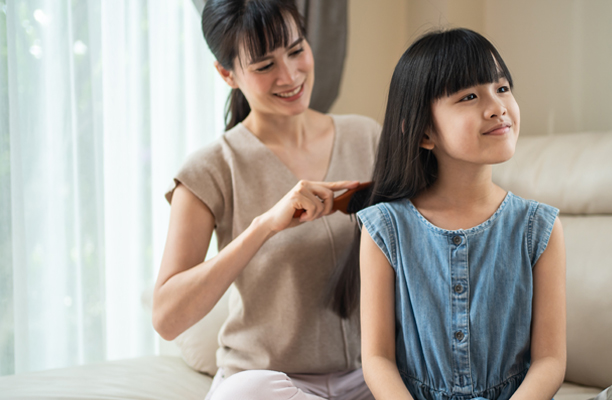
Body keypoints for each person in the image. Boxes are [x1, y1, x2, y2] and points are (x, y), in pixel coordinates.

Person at [150, 1, 379, 399]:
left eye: (296, 50)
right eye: (263, 65)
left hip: (366, 377)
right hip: (271, 385)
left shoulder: (367, 137)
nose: (290, 75)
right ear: (227, 74)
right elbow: (167, 318)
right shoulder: (210, 169)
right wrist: (264, 227)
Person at [353, 29, 567, 400]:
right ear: (424, 133)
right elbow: (377, 360)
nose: (497, 106)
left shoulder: (539, 228)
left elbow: (549, 360)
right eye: (469, 96)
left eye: (502, 88)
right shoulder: (384, 228)